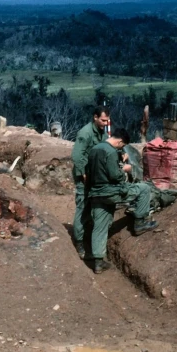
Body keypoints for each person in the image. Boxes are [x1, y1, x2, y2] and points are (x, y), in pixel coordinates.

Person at [87, 127, 157, 274]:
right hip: (111, 192)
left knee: (99, 226)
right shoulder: (111, 151)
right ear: (119, 141)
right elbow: (115, 176)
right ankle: (140, 223)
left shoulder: (94, 149)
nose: (122, 148)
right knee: (144, 189)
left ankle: (98, 262)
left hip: (96, 194)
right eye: (122, 145)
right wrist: (125, 169)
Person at [70, 107, 110, 259]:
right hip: (84, 176)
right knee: (83, 206)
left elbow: (107, 145)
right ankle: (79, 241)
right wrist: (84, 173)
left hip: (95, 176)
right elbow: (76, 156)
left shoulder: (102, 132)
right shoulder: (85, 133)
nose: (105, 123)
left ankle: (88, 234)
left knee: (94, 205)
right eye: (103, 120)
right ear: (95, 117)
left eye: (107, 120)